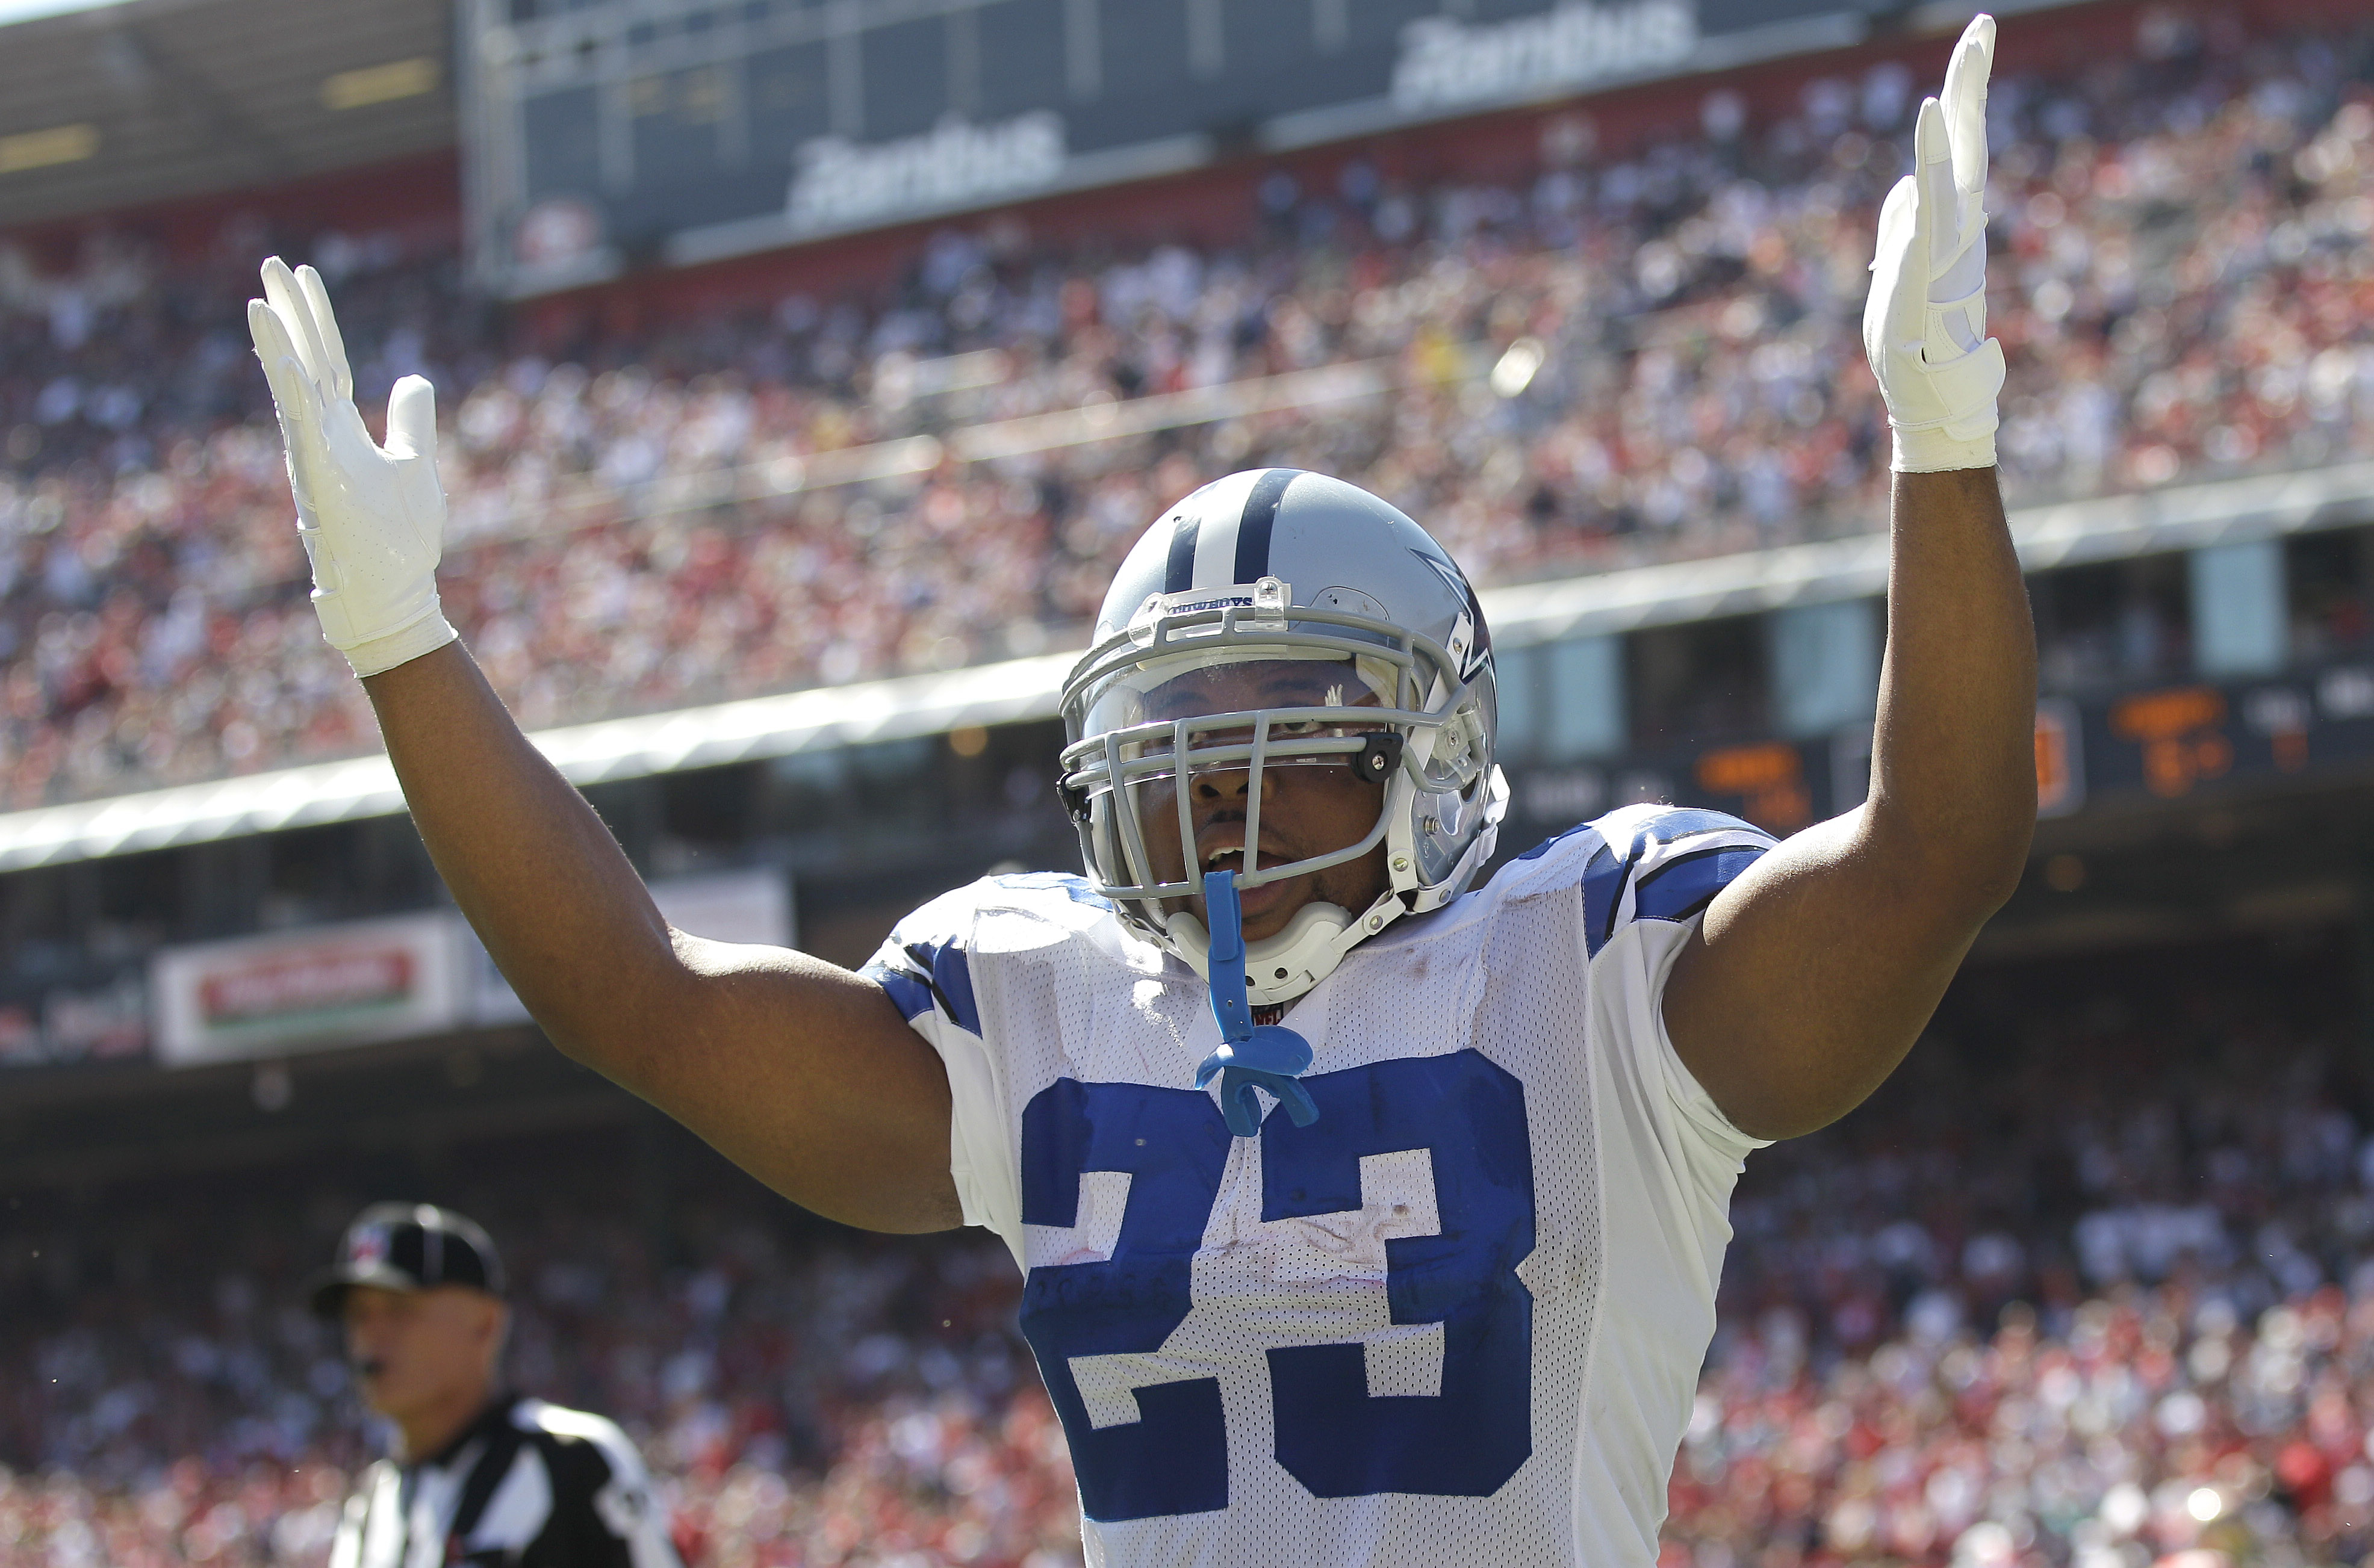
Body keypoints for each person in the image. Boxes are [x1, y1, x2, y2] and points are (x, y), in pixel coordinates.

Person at [248, 18, 2031, 1564]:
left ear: (1426, 743)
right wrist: (402, 636)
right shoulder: (1042, 997)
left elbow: (1935, 854)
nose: (1214, 789)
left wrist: (1939, 445)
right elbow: (627, 998)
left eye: (1274, 724)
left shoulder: (1590, 959)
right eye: (1173, 742)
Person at [309, 1203, 682, 1567]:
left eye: (399, 1310)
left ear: (485, 1324)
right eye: (358, 1314)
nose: (370, 1336)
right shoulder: (368, 1504)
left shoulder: (573, 1462)